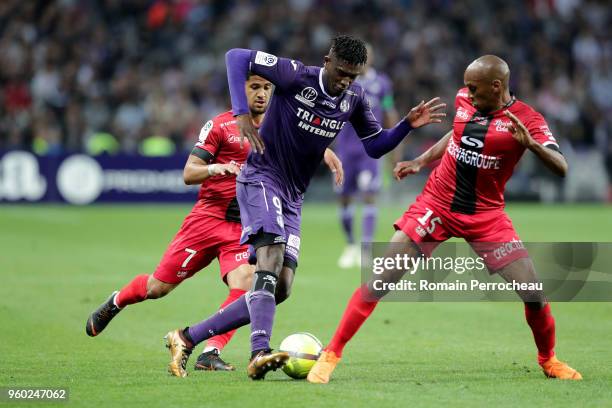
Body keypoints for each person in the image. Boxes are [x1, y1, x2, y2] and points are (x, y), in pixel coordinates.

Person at [163, 35, 445, 379]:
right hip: (261, 178)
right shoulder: (295, 75)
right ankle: (259, 352)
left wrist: (405, 126)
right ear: (327, 61)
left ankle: (186, 337)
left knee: (280, 288)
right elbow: (236, 56)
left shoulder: (353, 98)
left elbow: (374, 145)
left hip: (293, 195)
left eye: (352, 76)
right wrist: (240, 113)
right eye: (341, 73)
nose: (345, 82)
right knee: (271, 257)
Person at [307, 55, 582, 384]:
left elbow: (562, 167)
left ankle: (549, 360)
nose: (465, 91)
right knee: (379, 279)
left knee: (533, 293)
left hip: (485, 216)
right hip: (436, 204)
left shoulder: (527, 120)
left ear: (496, 86)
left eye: (473, 86)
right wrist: (420, 161)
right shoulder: (466, 99)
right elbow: (456, 134)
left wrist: (533, 145)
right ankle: (331, 354)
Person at [85, 73, 343, 371]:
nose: (261, 94)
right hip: (207, 219)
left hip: (243, 224)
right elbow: (188, 172)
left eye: (267, 88)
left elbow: (304, 141)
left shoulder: (281, 126)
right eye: (254, 87)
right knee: (158, 288)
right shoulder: (221, 126)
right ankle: (117, 301)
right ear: (240, 90)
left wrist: (323, 150)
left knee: (249, 284)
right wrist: (215, 168)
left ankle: (210, 352)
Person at [334, 44, 400, 269]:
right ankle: (350, 245)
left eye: (366, 56)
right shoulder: (343, 80)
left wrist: (394, 149)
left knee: (369, 195)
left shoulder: (381, 83)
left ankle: (366, 248)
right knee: (344, 198)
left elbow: (389, 111)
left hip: (370, 149)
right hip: (345, 149)